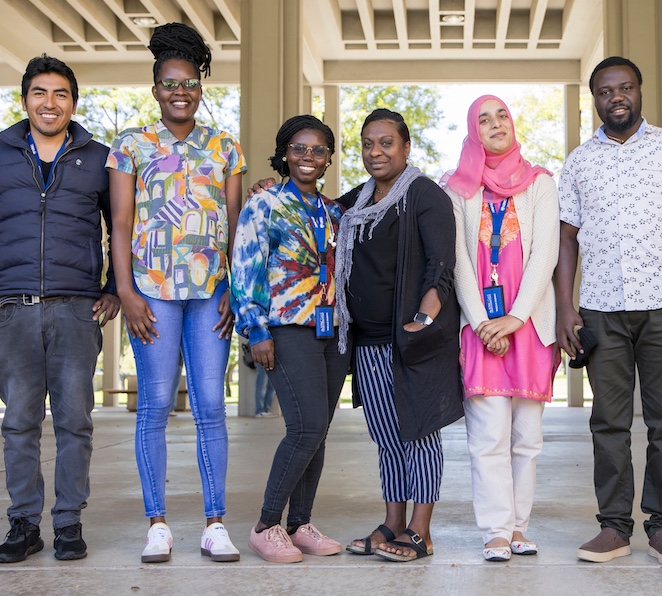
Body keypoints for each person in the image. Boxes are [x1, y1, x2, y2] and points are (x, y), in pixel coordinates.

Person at [555, 56, 662, 566]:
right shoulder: (580, 161)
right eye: (605, 91)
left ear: (639, 90)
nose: (616, 97)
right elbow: (567, 240)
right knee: (607, 422)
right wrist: (566, 306)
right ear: (596, 100)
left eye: (624, 87)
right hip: (602, 310)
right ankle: (613, 527)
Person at [0, 54, 120, 563]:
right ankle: (23, 524)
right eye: (40, 94)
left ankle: (68, 523)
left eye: (61, 94)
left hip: (77, 309)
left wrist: (114, 285)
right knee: (19, 422)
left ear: (73, 102)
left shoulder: (100, 158)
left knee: (76, 421)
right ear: (25, 99)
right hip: (13, 310)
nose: (50, 103)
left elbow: (123, 227)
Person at [107, 23, 245, 564]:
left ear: (201, 87)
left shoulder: (224, 146)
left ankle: (214, 523)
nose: (179, 91)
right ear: (155, 88)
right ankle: (158, 524)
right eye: (169, 82)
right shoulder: (131, 146)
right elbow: (119, 223)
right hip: (153, 292)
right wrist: (125, 290)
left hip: (212, 292)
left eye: (188, 82)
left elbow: (236, 226)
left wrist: (239, 288)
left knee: (211, 406)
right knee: (156, 406)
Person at [338, 109, 464, 562]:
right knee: (387, 437)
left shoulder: (425, 195)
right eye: (368, 144)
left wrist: (424, 321)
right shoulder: (356, 202)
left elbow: (440, 266)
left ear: (405, 147)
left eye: (386, 143)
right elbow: (315, 208)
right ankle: (391, 523)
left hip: (411, 342)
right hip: (367, 342)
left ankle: (421, 531)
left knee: (419, 433)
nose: (376, 152)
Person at [443, 95, 559, 562]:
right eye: (484, 119)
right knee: (488, 436)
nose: (495, 125)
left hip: (530, 327)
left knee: (526, 438)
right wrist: (484, 322)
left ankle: (518, 529)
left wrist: (515, 318)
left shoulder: (541, 183)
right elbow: (458, 264)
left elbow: (545, 254)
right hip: (481, 330)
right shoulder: (457, 189)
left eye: (502, 116)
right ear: (474, 131)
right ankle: (494, 529)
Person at [232, 115, 350, 563]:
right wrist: (255, 329)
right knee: (304, 428)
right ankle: (266, 526)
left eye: (318, 150)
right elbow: (245, 269)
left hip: (332, 332)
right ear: (284, 153)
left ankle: (300, 525)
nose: (308, 157)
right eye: (299, 148)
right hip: (286, 327)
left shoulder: (336, 212)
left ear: (327, 161)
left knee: (317, 431)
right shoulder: (264, 204)